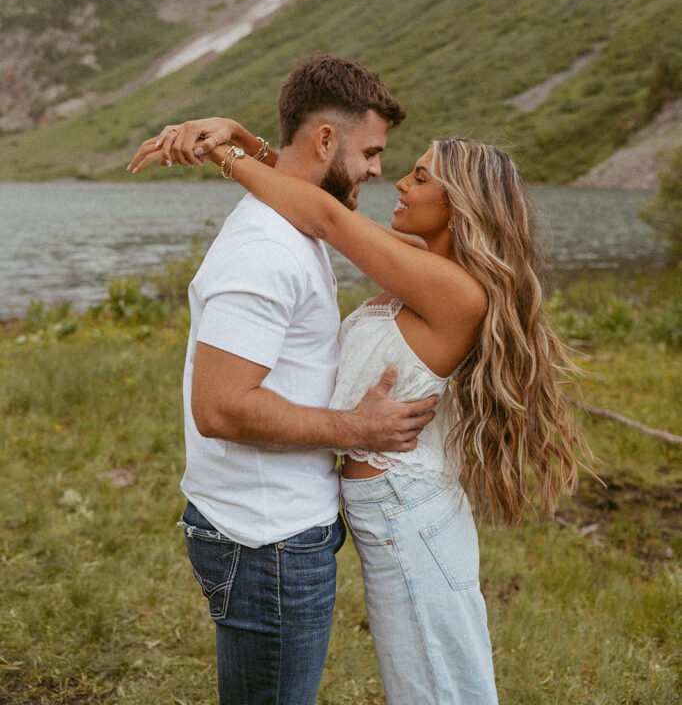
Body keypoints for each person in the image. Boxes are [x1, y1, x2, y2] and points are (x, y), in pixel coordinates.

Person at [132, 115, 588, 704]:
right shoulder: (428, 265)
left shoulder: (455, 289)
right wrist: (246, 140)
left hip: (410, 517)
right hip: (391, 518)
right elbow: (319, 211)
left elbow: (324, 217)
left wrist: (224, 157)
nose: (398, 182)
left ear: (458, 206)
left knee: (439, 688)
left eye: (420, 177)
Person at [128, 55, 439, 705]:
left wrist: (241, 142)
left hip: (274, 532)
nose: (379, 170)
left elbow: (350, 221)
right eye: (373, 152)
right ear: (327, 140)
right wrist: (357, 428)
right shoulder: (265, 249)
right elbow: (219, 406)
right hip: (266, 542)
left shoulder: (298, 220)